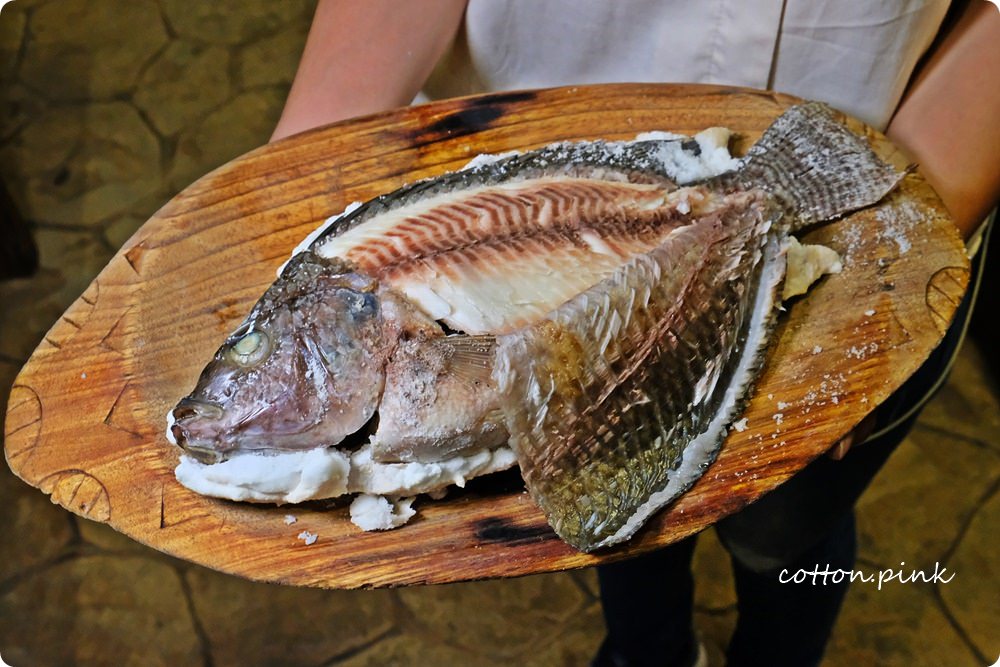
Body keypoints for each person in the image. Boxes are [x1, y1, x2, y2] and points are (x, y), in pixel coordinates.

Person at [271, 2, 1000, 665]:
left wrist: (890, 242)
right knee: (603, 500)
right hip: (523, 192)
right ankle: (648, 652)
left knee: (785, 530)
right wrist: (311, 157)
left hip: (867, 210)